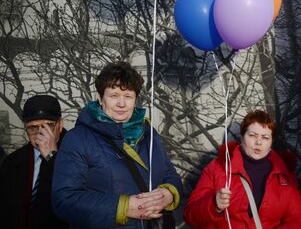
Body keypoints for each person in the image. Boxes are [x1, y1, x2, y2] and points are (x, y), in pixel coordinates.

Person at [52, 61, 183, 228]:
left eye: (128, 96)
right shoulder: (77, 139)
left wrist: (168, 193)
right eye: (113, 96)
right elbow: (64, 200)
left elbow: (170, 174)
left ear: (135, 100)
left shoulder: (149, 133)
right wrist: (123, 207)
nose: (121, 103)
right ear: (100, 98)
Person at [184, 110, 301, 229]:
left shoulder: (284, 174)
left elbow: (297, 219)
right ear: (242, 137)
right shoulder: (218, 168)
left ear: (271, 142)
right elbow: (190, 215)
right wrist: (213, 205)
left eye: (265, 137)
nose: (258, 142)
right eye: (252, 135)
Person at [0, 94, 68, 229]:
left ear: (60, 125)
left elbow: (73, 200)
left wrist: (51, 156)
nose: (40, 133)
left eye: (48, 126)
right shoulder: (12, 162)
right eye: (33, 128)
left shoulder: (78, 152)